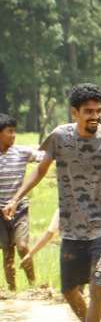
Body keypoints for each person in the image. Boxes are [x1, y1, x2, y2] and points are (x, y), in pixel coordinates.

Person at [2, 84, 101, 322]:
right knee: (68, 289)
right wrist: (16, 198)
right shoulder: (59, 137)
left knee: (98, 284)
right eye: (88, 111)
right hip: (72, 227)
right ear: (75, 112)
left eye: (98, 111)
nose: (95, 116)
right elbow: (39, 171)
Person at [0, 113, 45, 291]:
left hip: (19, 209)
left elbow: (44, 157)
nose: (13, 135)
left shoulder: (21, 152)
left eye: (15, 131)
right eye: (9, 131)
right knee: (7, 252)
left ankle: (33, 287)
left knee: (22, 246)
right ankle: (12, 290)